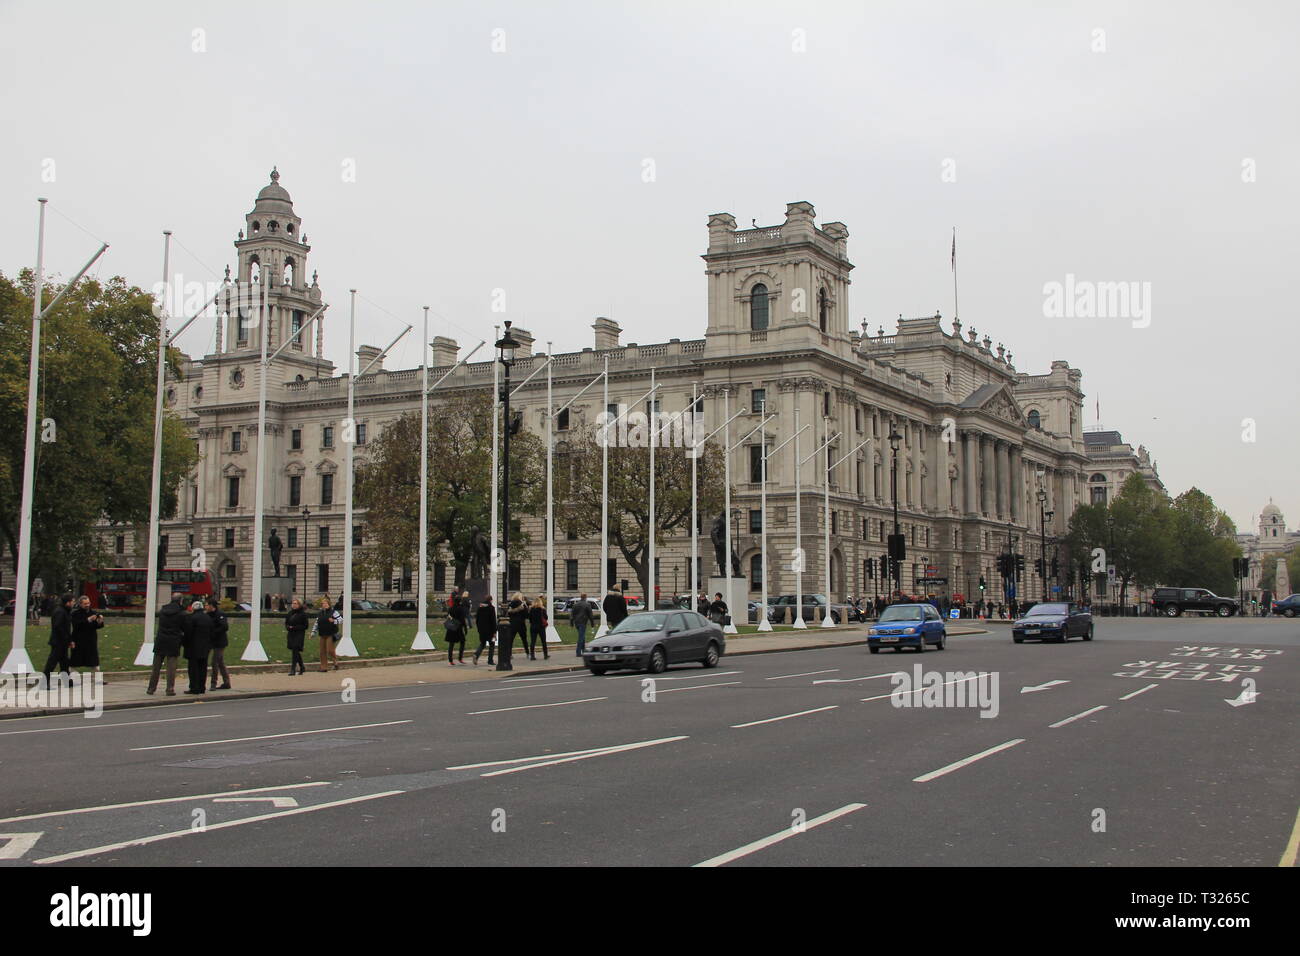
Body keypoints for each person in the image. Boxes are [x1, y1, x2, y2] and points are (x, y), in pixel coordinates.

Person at [147, 592, 189, 696]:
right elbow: (185, 628)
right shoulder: (181, 613)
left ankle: (151, 688)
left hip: (161, 640)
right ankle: (169, 689)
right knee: (171, 667)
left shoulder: (163, 610)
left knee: (156, 667)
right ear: (180, 600)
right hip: (173, 640)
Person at [42, 593, 76, 689]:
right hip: (59, 642)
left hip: (62, 641)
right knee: (52, 663)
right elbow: (59, 627)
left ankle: (67, 681)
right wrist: (67, 639)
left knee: (64, 662)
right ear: (68, 602)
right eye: (73, 601)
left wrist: (69, 640)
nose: (74, 603)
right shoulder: (60, 612)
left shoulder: (64, 611)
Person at [69, 595, 105, 678]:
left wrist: (100, 621)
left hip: (91, 640)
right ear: (80, 604)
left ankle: (98, 678)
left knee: (94, 661)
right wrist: (88, 620)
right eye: (85, 604)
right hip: (78, 640)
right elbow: (76, 625)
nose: (87, 605)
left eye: (88, 603)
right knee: (75, 660)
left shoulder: (93, 613)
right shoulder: (75, 613)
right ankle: (72, 677)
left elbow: (97, 626)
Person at [184, 600, 213, 694]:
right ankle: (202, 687)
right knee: (203, 667)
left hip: (193, 647)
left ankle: (194, 687)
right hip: (205, 647)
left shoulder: (191, 618)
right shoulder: (208, 618)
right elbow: (212, 632)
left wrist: (184, 643)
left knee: (193, 669)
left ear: (193, 608)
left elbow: (188, 633)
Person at [207, 597, 231, 689]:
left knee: (215, 662)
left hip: (220, 642)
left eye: (207, 605)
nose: (205, 606)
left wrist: (213, 632)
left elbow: (224, 627)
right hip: (211, 641)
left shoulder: (220, 614)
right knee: (220, 662)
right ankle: (226, 682)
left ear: (211, 606)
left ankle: (213, 683)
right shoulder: (208, 615)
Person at [284, 597, 309, 675]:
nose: (294, 605)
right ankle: (302, 667)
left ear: (299, 604)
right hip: (291, 633)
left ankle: (293, 669)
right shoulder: (290, 613)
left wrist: (295, 627)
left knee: (295, 648)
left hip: (299, 634)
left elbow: (305, 626)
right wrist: (288, 627)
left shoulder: (303, 614)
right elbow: (286, 623)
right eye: (293, 603)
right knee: (295, 651)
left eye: (295, 603)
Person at [316, 596, 340, 671]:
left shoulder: (334, 612)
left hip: (331, 633)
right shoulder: (320, 613)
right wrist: (313, 632)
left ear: (329, 604)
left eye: (326, 603)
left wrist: (334, 621)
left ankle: (335, 661)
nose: (324, 605)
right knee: (322, 651)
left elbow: (341, 620)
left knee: (330, 650)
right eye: (323, 603)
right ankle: (324, 667)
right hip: (322, 633)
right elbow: (316, 623)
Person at [443, 591, 467, 666]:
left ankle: (450, 660)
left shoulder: (451, 608)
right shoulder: (460, 609)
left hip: (451, 627)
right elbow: (462, 619)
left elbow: (448, 617)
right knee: (462, 642)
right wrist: (465, 628)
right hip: (458, 628)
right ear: (460, 601)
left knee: (451, 644)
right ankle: (460, 658)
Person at [473, 594, 497, 666]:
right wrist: (494, 631)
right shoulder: (491, 608)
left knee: (482, 644)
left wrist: (478, 628)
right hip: (490, 630)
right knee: (492, 644)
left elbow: (477, 619)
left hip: (481, 629)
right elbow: (493, 621)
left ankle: (476, 655)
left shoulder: (480, 607)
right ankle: (490, 660)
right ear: (490, 600)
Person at [506, 592, 530, 657]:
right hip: (521, 624)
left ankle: (509, 654)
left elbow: (508, 614)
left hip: (512, 624)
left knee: (511, 640)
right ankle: (527, 653)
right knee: (524, 639)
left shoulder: (510, 604)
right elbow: (527, 615)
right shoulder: (523, 605)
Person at [527, 596, 549, 661]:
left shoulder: (531, 609)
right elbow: (546, 617)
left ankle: (532, 656)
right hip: (541, 627)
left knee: (533, 641)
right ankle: (545, 655)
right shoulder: (542, 609)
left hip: (533, 627)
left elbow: (530, 618)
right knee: (543, 641)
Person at [571, 592, 593, 656]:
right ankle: (578, 652)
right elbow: (590, 615)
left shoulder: (575, 604)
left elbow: (572, 614)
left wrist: (571, 623)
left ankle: (583, 650)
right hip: (583, 622)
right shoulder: (587, 604)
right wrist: (592, 623)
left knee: (582, 636)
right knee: (581, 637)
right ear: (585, 597)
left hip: (577, 622)